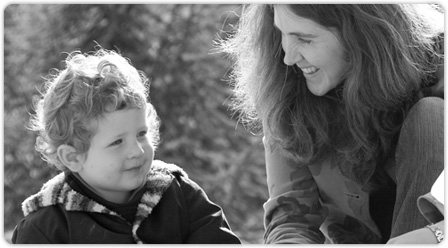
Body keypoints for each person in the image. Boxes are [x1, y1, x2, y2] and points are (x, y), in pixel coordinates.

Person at [218, 4, 444, 244]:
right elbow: (292, 219)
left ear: (360, 33)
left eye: (304, 39)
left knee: (430, 116)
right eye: (281, 34)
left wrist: (433, 234)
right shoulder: (287, 99)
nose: (288, 57)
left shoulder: (440, 64)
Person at [11, 48, 241, 244]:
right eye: (117, 142)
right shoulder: (46, 230)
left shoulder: (178, 194)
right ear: (73, 157)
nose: (137, 151)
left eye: (141, 134)